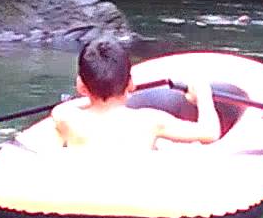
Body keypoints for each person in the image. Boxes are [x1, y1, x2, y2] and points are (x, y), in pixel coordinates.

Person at [52, 38, 221, 151]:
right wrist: (203, 95)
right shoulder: (150, 121)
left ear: (81, 86)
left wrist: (90, 95)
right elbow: (210, 132)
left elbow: (67, 106)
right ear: (131, 84)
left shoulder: (65, 117)